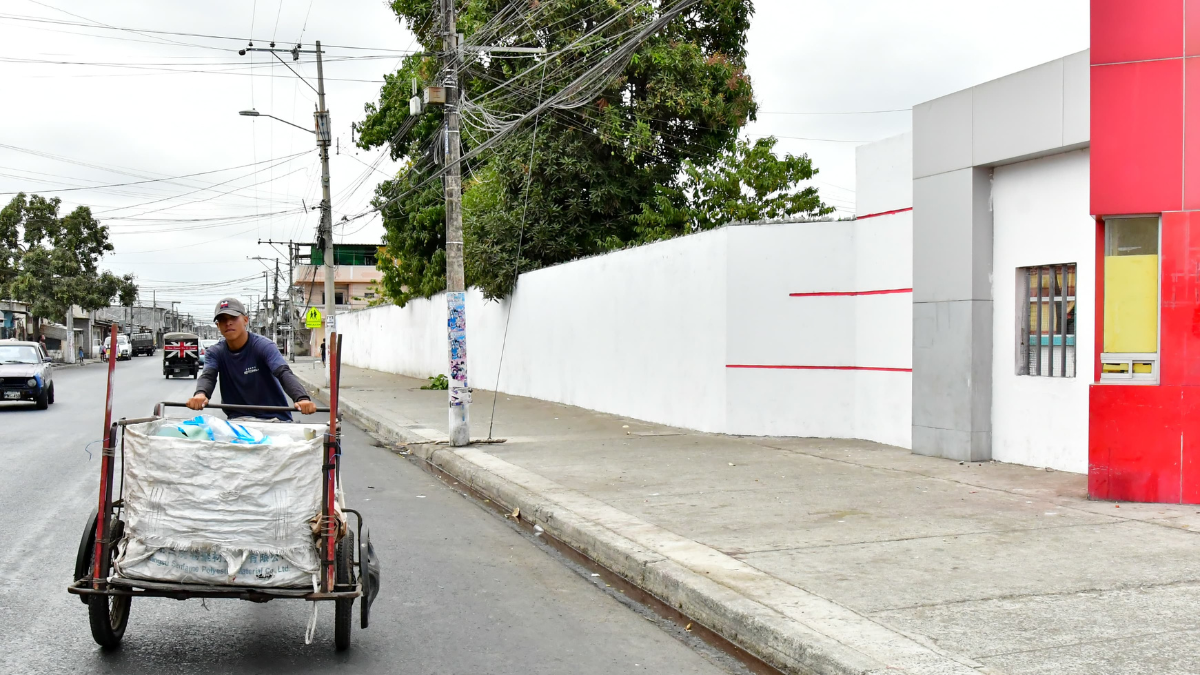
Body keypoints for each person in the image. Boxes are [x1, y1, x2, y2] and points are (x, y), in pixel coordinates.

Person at [187, 297, 317, 421]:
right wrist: (201, 394)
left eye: (233, 317)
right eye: (222, 320)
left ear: (245, 320)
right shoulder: (215, 352)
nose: (228, 323)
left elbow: (283, 372)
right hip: (238, 421)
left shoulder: (263, 346)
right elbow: (208, 376)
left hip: (275, 419)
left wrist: (302, 398)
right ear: (218, 326)